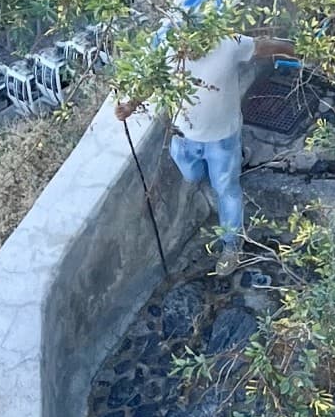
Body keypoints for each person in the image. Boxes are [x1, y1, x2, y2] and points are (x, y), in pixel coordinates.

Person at [122, 27, 295, 274]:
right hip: (184, 136)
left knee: (226, 189)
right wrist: (130, 106)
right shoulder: (164, 47)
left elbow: (263, 45)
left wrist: (299, 49)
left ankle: (232, 245)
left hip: (223, 139)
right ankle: (238, 158)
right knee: (191, 175)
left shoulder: (227, 43)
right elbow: (151, 80)